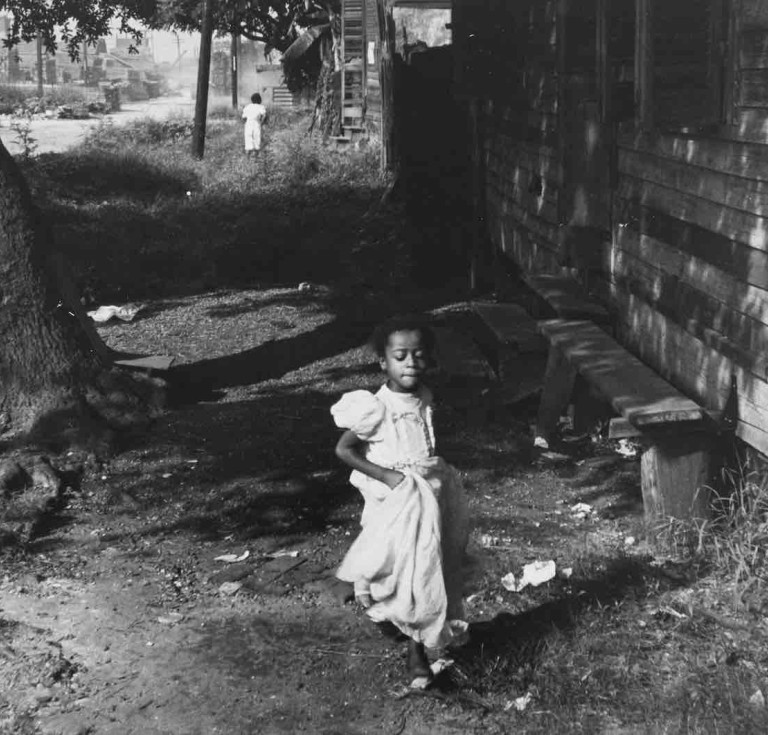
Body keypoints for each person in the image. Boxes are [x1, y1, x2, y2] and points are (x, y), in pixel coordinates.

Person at [330, 317, 469, 681]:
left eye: (418, 355)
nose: (410, 363)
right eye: (400, 356)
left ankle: (416, 649)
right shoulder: (376, 407)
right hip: (392, 498)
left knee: (422, 567)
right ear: (383, 362)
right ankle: (374, 601)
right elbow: (344, 450)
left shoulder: (425, 395)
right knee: (388, 563)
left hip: (428, 493)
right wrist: (389, 477)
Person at [241, 92, 267, 157]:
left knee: (248, 140)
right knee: (257, 139)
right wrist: (261, 122)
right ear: (259, 100)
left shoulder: (247, 107)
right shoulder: (261, 107)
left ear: (252, 99)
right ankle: (256, 157)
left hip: (248, 124)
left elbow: (243, 117)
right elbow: (264, 115)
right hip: (256, 123)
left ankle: (247, 158)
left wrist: (246, 123)